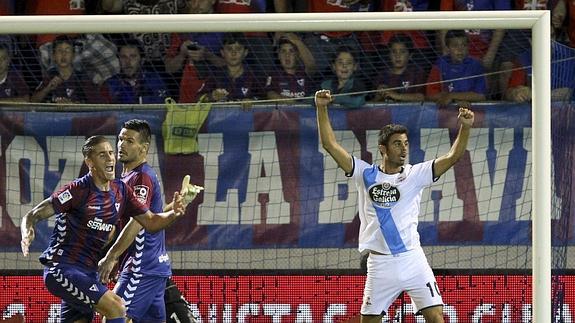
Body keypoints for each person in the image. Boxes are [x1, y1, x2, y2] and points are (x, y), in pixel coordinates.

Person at [314, 89, 475, 323]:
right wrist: (321, 107)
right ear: (383, 149)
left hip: (413, 259)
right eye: (397, 144)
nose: (404, 149)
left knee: (436, 317)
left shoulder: (415, 174)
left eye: (406, 143)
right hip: (380, 264)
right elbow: (330, 144)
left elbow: (452, 157)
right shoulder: (364, 173)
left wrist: (466, 127)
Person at [20, 135, 197, 323]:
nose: (110, 158)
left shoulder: (121, 191)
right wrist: (27, 229)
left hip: (88, 274)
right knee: (117, 307)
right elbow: (34, 213)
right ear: (90, 162)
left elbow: (151, 221)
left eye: (111, 153)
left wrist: (174, 213)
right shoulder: (77, 191)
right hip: (63, 269)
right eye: (102, 155)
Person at [97, 119, 202, 323]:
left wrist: (111, 256)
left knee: (113, 315)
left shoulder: (140, 178)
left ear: (144, 148)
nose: (121, 145)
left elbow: (137, 223)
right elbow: (150, 217)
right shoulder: (128, 179)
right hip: (154, 269)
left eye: (129, 141)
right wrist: (178, 204)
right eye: (120, 139)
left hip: (140, 268)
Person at [426, 30, 487, 105]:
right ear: (447, 48)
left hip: (472, 110)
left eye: (464, 45)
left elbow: (481, 96)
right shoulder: (440, 64)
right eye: (455, 46)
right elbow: (431, 95)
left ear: (468, 47)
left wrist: (452, 96)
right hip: (446, 111)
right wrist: (456, 101)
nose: (460, 50)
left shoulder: (475, 65)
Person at [31, 35, 96, 104]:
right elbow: (33, 101)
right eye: (59, 50)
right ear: (53, 56)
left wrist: (73, 105)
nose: (63, 54)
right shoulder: (49, 76)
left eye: (67, 50)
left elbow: (95, 103)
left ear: (73, 56)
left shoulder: (81, 77)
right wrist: (47, 88)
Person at [101, 39, 168, 104]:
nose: (128, 62)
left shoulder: (155, 81)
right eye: (123, 57)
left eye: (133, 56)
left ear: (142, 60)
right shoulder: (109, 85)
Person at [265, 33, 316, 104]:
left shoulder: (304, 72)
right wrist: (287, 101)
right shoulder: (274, 74)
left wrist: (297, 42)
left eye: (291, 51)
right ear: (278, 55)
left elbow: (311, 65)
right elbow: (270, 93)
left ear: (297, 55)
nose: (287, 55)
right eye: (283, 51)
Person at [373, 34, 426, 103]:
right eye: (394, 52)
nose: (397, 56)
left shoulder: (417, 73)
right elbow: (372, 103)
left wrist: (394, 95)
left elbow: (421, 97)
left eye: (402, 52)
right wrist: (378, 96)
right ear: (389, 54)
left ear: (410, 55)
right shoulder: (382, 75)